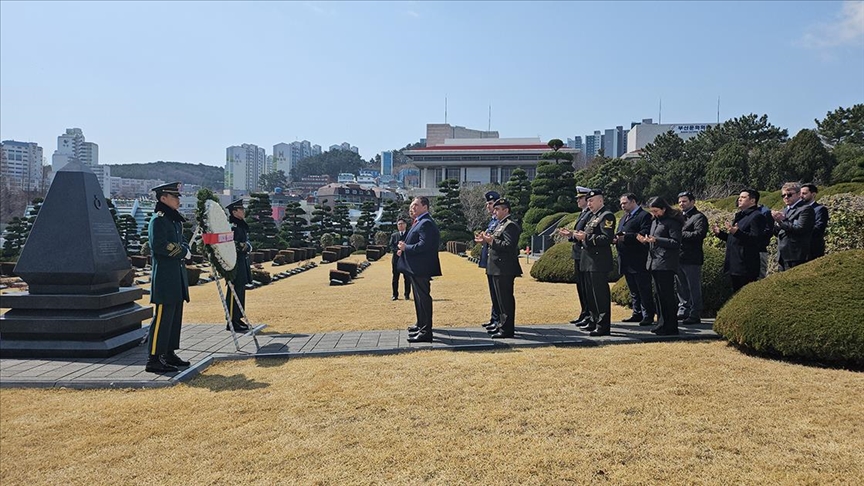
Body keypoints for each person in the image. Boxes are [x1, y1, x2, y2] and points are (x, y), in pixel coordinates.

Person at [145, 182, 191, 373]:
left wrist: (185, 249)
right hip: (165, 276)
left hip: (176, 275)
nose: (178, 200)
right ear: (163, 198)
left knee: (174, 318)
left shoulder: (174, 220)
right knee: (163, 318)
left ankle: (169, 352)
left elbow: (182, 241)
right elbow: (159, 245)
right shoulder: (158, 220)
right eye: (175, 196)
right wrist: (182, 252)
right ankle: (154, 357)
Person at [475, 198, 522, 339]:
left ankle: (507, 329)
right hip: (496, 267)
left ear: (506, 210)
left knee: (505, 300)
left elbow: (509, 245)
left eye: (497, 209)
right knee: (499, 300)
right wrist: (486, 240)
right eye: (494, 209)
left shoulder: (510, 225)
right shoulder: (500, 224)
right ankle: (501, 325)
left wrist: (491, 241)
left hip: (504, 268)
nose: (494, 211)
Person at [397, 197, 442, 343]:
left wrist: (406, 248)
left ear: (425, 207)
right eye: (411, 205)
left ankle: (425, 331)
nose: (412, 208)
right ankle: (421, 325)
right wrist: (404, 249)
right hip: (416, 267)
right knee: (418, 298)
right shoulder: (419, 222)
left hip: (421, 267)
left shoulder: (426, 223)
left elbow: (424, 245)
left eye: (416, 205)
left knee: (423, 298)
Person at [573, 190, 616, 337]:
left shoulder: (607, 216)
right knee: (590, 295)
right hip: (588, 260)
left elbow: (606, 238)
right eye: (588, 201)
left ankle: (603, 325)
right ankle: (593, 320)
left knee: (600, 295)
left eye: (591, 201)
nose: (589, 204)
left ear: (600, 201)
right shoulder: (593, 217)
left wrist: (586, 237)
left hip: (598, 261)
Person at [638, 197, 684, 335]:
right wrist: (646, 240)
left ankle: (671, 325)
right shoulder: (655, 222)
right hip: (654, 262)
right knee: (658, 295)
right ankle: (661, 322)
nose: (654, 214)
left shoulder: (672, 222)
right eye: (652, 211)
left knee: (667, 295)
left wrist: (657, 240)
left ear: (664, 209)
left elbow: (675, 242)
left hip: (666, 263)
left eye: (656, 211)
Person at [713, 189, 767, 291]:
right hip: (734, 263)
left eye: (743, 197)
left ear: (752, 201)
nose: (739, 199)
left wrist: (736, 232)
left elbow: (755, 239)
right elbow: (734, 238)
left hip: (745, 265)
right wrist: (720, 234)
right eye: (739, 197)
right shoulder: (740, 215)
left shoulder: (757, 216)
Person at [615, 193, 655, 326]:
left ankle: (648, 315)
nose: (622, 206)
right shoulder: (624, 218)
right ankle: (636, 313)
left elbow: (645, 233)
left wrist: (626, 237)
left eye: (625, 203)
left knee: (643, 288)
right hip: (626, 259)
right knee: (633, 289)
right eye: (621, 203)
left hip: (638, 259)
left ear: (633, 202)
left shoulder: (644, 216)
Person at [558, 187, 592, 326]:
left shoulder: (590, 214)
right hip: (578, 252)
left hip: (585, 253)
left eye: (580, 198)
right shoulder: (583, 213)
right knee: (581, 286)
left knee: (586, 286)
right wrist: (571, 235)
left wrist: (574, 235)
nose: (578, 200)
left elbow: (585, 233)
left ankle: (589, 314)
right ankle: (584, 312)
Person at [675, 191, 708, 325]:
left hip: (692, 258)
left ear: (692, 202)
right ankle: (684, 309)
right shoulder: (678, 217)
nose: (681, 204)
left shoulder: (699, 217)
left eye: (684, 201)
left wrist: (680, 234)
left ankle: (695, 313)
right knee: (681, 286)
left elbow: (699, 234)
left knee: (693, 286)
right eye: (680, 202)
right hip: (679, 257)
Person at [771, 182, 815, 271]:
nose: (786, 197)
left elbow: (800, 228)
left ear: (799, 194)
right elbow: (778, 232)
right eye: (783, 196)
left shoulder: (805, 209)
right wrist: (774, 222)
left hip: (797, 255)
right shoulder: (784, 210)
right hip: (782, 255)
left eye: (789, 194)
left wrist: (782, 220)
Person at [225, 199, 251, 333]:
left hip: (241, 263)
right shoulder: (233, 226)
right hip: (234, 264)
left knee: (240, 291)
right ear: (234, 212)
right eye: (241, 209)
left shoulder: (240, 225)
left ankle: (237, 317)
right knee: (233, 292)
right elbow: (233, 245)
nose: (243, 211)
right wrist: (246, 247)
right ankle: (231, 321)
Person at [478, 190, 501, 331]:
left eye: (491, 203)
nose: (488, 206)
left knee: (498, 293)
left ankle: (498, 319)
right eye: (487, 203)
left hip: (497, 261)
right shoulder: (493, 220)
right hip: (489, 259)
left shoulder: (500, 221)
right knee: (493, 292)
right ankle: (494, 318)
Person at [800, 183, 829, 260]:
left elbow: (819, 228)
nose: (801, 196)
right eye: (800, 193)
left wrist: (800, 230)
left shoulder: (820, 209)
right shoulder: (799, 210)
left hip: (813, 248)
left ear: (813, 194)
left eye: (804, 193)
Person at [389, 217, 411, 301]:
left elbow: (411, 244)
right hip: (396, 259)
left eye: (402, 224)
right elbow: (391, 245)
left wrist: (403, 251)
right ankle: (395, 295)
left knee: (407, 278)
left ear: (405, 225)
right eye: (399, 224)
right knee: (395, 277)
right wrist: (397, 251)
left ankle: (407, 294)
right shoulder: (394, 235)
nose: (400, 225)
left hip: (406, 259)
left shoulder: (409, 234)